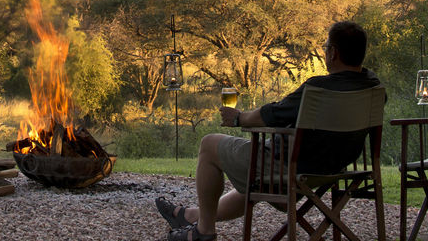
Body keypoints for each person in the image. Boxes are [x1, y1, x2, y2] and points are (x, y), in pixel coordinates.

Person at [155, 20, 384, 241]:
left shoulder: (318, 89)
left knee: (209, 145)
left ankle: (203, 231)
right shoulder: (374, 88)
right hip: (334, 169)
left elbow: (270, 114)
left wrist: (238, 119)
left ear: (333, 52)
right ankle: (191, 216)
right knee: (253, 179)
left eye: (326, 48)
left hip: (290, 168)